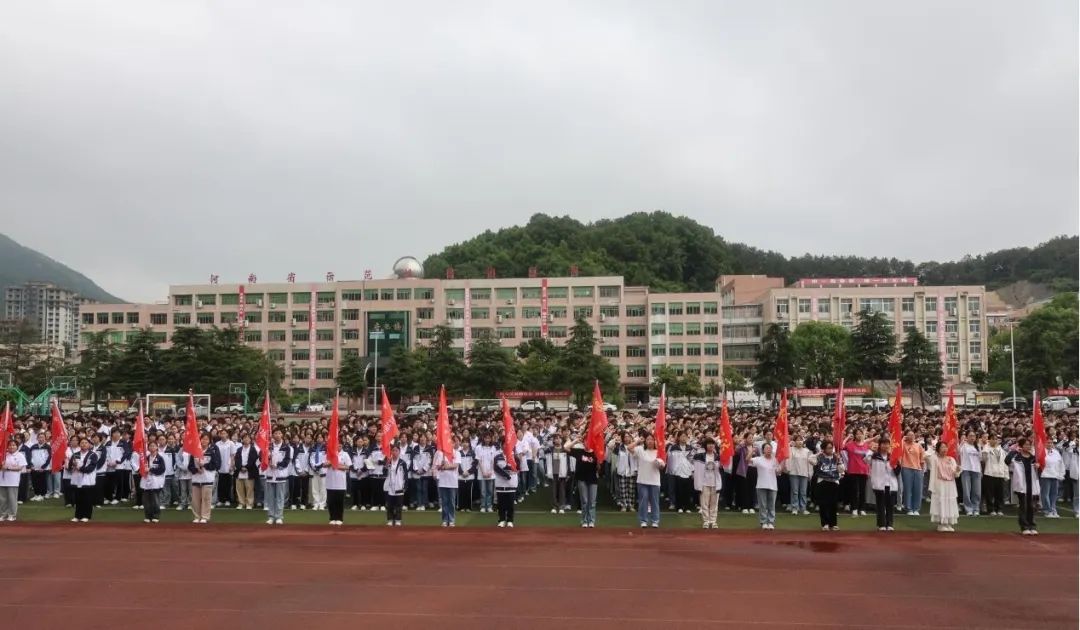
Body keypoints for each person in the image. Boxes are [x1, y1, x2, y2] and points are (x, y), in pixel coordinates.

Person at [1006, 438, 1041, 535]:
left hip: (1032, 485)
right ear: (1021, 446)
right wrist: (1014, 451)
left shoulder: (1033, 458)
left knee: (1032, 506)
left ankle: (1032, 525)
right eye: (1025, 444)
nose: (1028, 446)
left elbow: (1040, 471)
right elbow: (1007, 461)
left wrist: (1039, 466)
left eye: (1029, 445)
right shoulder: (1016, 457)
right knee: (1023, 506)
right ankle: (1024, 526)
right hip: (1022, 485)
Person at [565, 438, 600, 528]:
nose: (587, 443)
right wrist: (575, 441)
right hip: (581, 479)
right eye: (585, 441)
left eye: (588, 441)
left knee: (592, 502)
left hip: (593, 479)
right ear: (583, 443)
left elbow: (599, 466)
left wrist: (599, 464)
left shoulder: (595, 453)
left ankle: (591, 520)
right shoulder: (579, 452)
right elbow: (566, 448)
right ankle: (584, 520)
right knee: (584, 501)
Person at [810, 440, 844, 531]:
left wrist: (839, 461)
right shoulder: (820, 457)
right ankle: (825, 523)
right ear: (824, 449)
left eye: (831, 448)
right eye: (828, 448)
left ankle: (833, 524)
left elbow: (841, 470)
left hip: (834, 482)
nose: (830, 450)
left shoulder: (836, 458)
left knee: (833, 504)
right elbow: (810, 460)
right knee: (823, 504)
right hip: (823, 481)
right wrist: (818, 454)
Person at [927, 441, 960, 533]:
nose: (944, 449)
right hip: (940, 483)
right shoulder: (935, 459)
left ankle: (948, 523)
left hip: (950, 484)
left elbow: (955, 474)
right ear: (938, 449)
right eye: (942, 447)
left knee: (950, 502)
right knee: (941, 502)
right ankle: (941, 523)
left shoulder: (951, 459)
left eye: (945, 447)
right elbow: (927, 455)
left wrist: (957, 470)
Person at [632, 434, 664, 528]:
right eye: (648, 439)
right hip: (642, 480)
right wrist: (638, 441)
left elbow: (663, 466)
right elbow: (629, 448)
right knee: (643, 500)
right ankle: (643, 520)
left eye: (652, 439)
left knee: (654, 501)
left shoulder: (659, 452)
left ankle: (655, 521)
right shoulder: (640, 450)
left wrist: (659, 464)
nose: (650, 441)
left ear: (655, 441)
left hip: (655, 480)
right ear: (645, 441)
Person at [189, 433, 221, 524]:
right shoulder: (194, 452)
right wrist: (196, 469)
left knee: (206, 499)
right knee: (195, 499)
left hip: (207, 478)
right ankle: (197, 516)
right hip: (196, 478)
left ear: (209, 441)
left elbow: (215, 465)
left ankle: (205, 516)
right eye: (202, 439)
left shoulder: (211, 452)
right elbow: (190, 466)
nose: (204, 441)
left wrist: (205, 465)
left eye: (206, 439)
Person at [867, 438, 898, 532]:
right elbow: (866, 460)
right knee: (880, 505)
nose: (885, 446)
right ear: (880, 445)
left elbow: (897, 472)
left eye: (887, 444)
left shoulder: (892, 457)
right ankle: (881, 524)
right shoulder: (874, 456)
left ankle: (889, 524)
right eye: (883, 444)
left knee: (890, 505)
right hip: (879, 484)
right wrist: (871, 451)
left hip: (891, 484)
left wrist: (896, 465)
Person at [692, 438, 722, 529]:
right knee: (704, 503)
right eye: (709, 444)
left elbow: (725, 467)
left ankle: (713, 521)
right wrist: (695, 447)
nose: (711, 446)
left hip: (715, 483)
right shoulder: (699, 456)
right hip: (704, 483)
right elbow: (689, 457)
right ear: (705, 446)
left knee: (714, 504)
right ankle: (706, 521)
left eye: (712, 444)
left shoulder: (718, 457)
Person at [749, 443, 780, 530]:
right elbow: (747, 460)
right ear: (763, 450)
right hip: (761, 485)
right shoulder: (759, 459)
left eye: (770, 448)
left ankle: (771, 522)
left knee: (771, 505)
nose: (769, 450)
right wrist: (752, 451)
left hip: (773, 485)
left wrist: (783, 463)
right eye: (767, 448)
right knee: (762, 505)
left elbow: (778, 472)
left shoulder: (775, 460)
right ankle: (763, 522)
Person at [264, 429, 291, 525]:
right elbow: (262, 458)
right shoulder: (269, 446)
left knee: (280, 497)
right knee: (270, 497)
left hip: (280, 474)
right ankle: (271, 516)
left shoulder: (286, 447)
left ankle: (279, 516)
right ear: (273, 435)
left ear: (282, 435)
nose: (277, 435)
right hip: (270, 474)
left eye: (279, 433)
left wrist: (277, 465)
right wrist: (267, 456)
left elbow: (287, 461)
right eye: (275, 433)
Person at [70, 437, 99, 523]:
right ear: (79, 444)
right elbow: (70, 466)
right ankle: (77, 515)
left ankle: (86, 515)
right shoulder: (75, 454)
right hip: (77, 480)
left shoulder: (93, 455)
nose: (84, 444)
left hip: (88, 480)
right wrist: (72, 465)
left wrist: (80, 468)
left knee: (87, 498)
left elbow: (90, 468)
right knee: (78, 498)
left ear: (89, 445)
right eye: (82, 443)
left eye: (86, 443)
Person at [842, 428, 871, 515]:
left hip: (864, 470)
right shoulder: (850, 445)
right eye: (857, 434)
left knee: (862, 491)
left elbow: (868, 458)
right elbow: (841, 446)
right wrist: (847, 438)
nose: (859, 435)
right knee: (854, 490)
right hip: (853, 470)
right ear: (854, 435)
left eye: (860, 433)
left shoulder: (866, 445)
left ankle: (862, 508)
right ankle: (854, 508)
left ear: (863, 435)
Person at [325, 437, 351, 526]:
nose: (338, 446)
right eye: (337, 445)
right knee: (331, 501)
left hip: (341, 482)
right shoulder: (329, 454)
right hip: (330, 482)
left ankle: (339, 518)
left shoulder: (345, 454)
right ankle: (332, 517)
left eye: (340, 445)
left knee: (339, 501)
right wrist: (331, 462)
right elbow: (324, 464)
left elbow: (348, 467)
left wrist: (337, 465)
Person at [785, 431, 812, 515]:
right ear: (794, 441)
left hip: (804, 473)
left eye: (801, 440)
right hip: (794, 473)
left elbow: (810, 463)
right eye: (797, 440)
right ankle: (794, 508)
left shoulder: (807, 451)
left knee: (803, 492)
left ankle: (803, 508)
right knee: (795, 491)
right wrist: (788, 469)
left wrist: (810, 473)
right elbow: (788, 460)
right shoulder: (791, 450)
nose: (799, 441)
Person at [666, 431, 694, 514]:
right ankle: (679, 507)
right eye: (682, 436)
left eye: (685, 436)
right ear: (678, 438)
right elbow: (670, 460)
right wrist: (672, 471)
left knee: (687, 491)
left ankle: (687, 507)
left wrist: (693, 471)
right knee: (678, 490)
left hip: (688, 471)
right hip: (678, 472)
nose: (683, 438)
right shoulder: (674, 448)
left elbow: (693, 461)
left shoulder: (690, 448)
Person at [609, 432, 637, 512]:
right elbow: (610, 447)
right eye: (625, 437)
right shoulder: (619, 447)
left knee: (631, 490)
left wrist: (635, 440)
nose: (627, 438)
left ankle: (631, 505)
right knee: (623, 489)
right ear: (623, 438)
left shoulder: (634, 446)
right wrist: (616, 439)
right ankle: (624, 505)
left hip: (632, 471)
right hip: (622, 471)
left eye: (628, 436)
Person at [980, 435, 1008, 516]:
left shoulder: (1001, 450)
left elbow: (1004, 463)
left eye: (996, 439)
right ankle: (991, 509)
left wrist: (1006, 474)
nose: (994, 441)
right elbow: (984, 459)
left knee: (999, 494)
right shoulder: (987, 449)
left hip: (1000, 474)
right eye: (992, 439)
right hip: (990, 473)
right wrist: (986, 446)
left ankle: (999, 509)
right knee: (990, 493)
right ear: (989, 440)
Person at [899, 431, 925, 516]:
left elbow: (922, 457)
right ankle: (908, 508)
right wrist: (903, 440)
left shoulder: (918, 445)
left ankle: (916, 508)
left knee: (917, 489)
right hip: (906, 468)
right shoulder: (904, 444)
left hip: (917, 469)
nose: (911, 436)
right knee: (907, 489)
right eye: (909, 435)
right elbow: (899, 450)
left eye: (913, 435)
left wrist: (922, 468)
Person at [433, 441, 459, 527]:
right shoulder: (440, 453)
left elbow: (455, 466)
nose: (450, 444)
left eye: (451, 443)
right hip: (443, 480)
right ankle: (444, 519)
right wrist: (441, 465)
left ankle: (451, 519)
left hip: (452, 481)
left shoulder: (457, 453)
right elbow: (437, 466)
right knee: (444, 501)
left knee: (451, 501)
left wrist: (446, 467)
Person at [140, 441, 166, 523]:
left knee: (155, 500)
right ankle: (148, 516)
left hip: (156, 481)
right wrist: (144, 470)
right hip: (146, 481)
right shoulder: (146, 458)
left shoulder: (160, 458)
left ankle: (156, 516)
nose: (152, 447)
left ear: (156, 447)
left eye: (154, 446)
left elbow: (162, 469)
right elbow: (141, 468)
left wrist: (151, 470)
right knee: (146, 500)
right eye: (150, 446)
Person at [958, 432, 983, 517]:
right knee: (967, 491)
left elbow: (980, 459)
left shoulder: (978, 446)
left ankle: (976, 509)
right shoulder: (963, 445)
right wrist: (961, 442)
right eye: (970, 436)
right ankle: (968, 509)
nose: (972, 437)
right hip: (966, 470)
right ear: (967, 437)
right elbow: (957, 452)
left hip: (976, 470)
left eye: (974, 436)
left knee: (977, 492)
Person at [1, 440, 27, 521]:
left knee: (12, 498)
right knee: (2, 499)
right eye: (10, 445)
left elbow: (20, 467)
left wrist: (8, 467)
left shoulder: (20, 455)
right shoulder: (4, 455)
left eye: (13, 445)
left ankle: (12, 514)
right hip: (2, 480)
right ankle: (3, 514)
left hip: (13, 480)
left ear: (17, 446)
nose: (11, 447)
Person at [493, 446, 518, 528]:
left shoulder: (515, 456)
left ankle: (510, 520)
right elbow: (496, 468)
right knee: (501, 504)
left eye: (508, 444)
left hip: (511, 484)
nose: (506, 446)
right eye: (504, 444)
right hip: (500, 484)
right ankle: (502, 520)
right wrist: (505, 474)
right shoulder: (497, 457)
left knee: (510, 504)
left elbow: (518, 467)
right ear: (502, 445)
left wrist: (510, 467)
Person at [233, 434, 259, 510]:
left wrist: (246, 467)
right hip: (239, 471)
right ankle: (241, 503)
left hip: (250, 471)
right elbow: (237, 460)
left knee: (249, 489)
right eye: (245, 438)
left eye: (248, 438)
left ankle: (249, 503)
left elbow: (253, 460)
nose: (246, 439)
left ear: (250, 440)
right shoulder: (239, 449)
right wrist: (241, 467)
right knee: (239, 488)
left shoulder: (253, 449)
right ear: (242, 439)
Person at [383, 444, 407, 526]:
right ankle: (390, 519)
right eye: (393, 450)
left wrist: (405, 486)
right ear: (391, 452)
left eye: (396, 451)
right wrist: (386, 464)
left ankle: (398, 519)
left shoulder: (402, 463)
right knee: (390, 504)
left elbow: (406, 476)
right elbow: (384, 472)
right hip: (390, 486)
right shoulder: (388, 462)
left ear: (399, 452)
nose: (394, 452)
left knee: (398, 505)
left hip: (399, 486)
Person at [546, 434, 571, 513]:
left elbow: (568, 462)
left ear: (562, 440)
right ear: (554, 440)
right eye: (556, 438)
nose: (558, 440)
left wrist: (568, 473)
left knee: (562, 490)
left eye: (559, 438)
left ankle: (561, 507)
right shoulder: (550, 449)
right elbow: (546, 458)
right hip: (553, 472)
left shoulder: (565, 449)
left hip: (562, 472)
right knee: (553, 490)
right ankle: (554, 506)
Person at [1039, 443, 1064, 518]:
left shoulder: (1056, 452)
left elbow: (1061, 463)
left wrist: (1061, 474)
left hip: (1055, 475)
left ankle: (1053, 510)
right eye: (1048, 442)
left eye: (1051, 443)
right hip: (1045, 475)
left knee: (1054, 494)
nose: (1049, 444)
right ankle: (1047, 510)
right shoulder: (1041, 451)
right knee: (1045, 494)